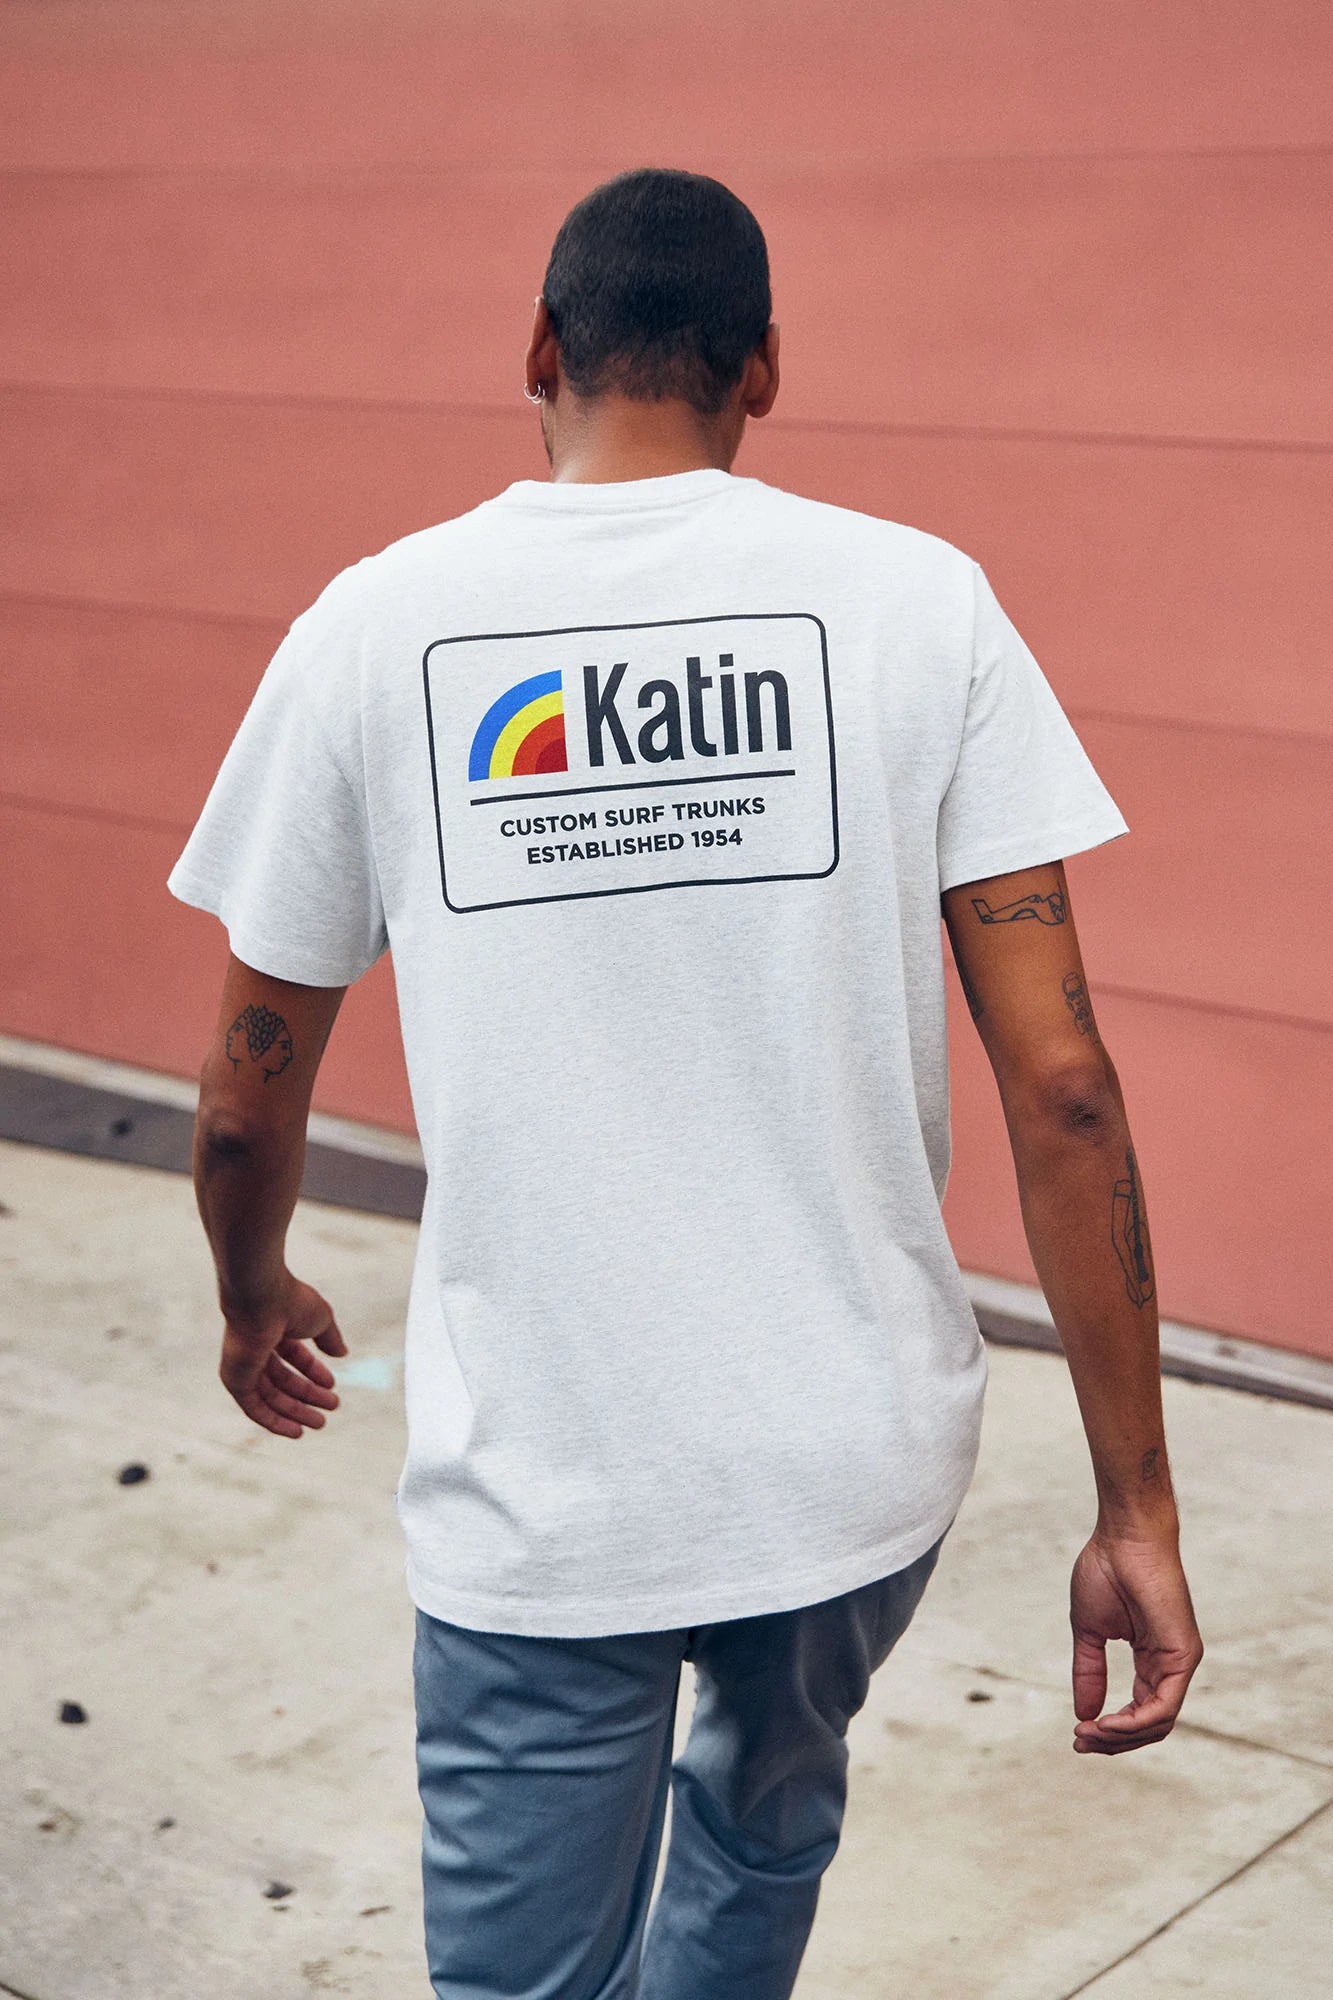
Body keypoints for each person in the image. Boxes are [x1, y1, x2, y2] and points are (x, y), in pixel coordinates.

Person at [169, 167, 1203, 1999]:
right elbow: (1064, 1088)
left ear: (538, 350)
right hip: (851, 1467)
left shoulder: (375, 629)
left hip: (552, 1495)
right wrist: (1136, 1507)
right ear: (765, 370)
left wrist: (255, 1296)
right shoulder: (919, 605)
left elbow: (252, 1097)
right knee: (756, 1829)